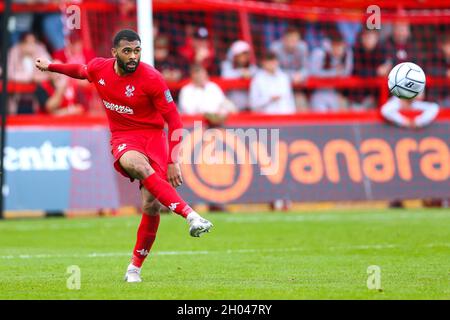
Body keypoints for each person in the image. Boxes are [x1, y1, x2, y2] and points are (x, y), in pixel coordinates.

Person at [35, 29, 213, 283]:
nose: (133, 56)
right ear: (114, 52)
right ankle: (191, 215)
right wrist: (51, 66)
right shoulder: (100, 69)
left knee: (151, 204)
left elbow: (174, 121)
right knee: (135, 163)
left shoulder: (152, 78)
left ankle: (134, 268)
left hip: (154, 138)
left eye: (137, 50)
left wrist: (173, 160)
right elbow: (80, 71)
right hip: (124, 137)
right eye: (127, 51)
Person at [309, 32, 353, 112]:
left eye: (340, 46)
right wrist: (333, 73)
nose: (338, 49)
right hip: (319, 91)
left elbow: (346, 74)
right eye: (335, 46)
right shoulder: (320, 53)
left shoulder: (347, 54)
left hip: (336, 92)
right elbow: (312, 72)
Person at [220, 40, 257, 111]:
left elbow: (257, 74)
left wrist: (248, 73)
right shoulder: (226, 66)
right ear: (235, 55)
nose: (244, 57)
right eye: (242, 54)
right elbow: (225, 76)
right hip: (232, 109)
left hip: (248, 109)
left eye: (246, 54)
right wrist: (241, 73)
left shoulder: (252, 68)